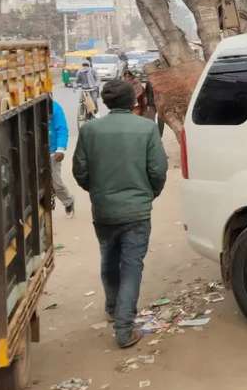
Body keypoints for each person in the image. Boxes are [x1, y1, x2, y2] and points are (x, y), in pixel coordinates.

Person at [73, 80, 168, 349]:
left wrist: (98, 192)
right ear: (133, 101)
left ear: (106, 102)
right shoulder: (147, 129)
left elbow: (80, 171)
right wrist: (149, 195)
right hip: (137, 211)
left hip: (103, 210)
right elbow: (158, 171)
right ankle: (124, 329)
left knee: (108, 257)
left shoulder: (89, 130)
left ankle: (113, 308)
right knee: (131, 266)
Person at [49, 98, 75, 218]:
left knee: (56, 183)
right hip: (34, 152)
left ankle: (68, 201)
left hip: (52, 152)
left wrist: (60, 148)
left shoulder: (55, 107)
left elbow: (62, 129)